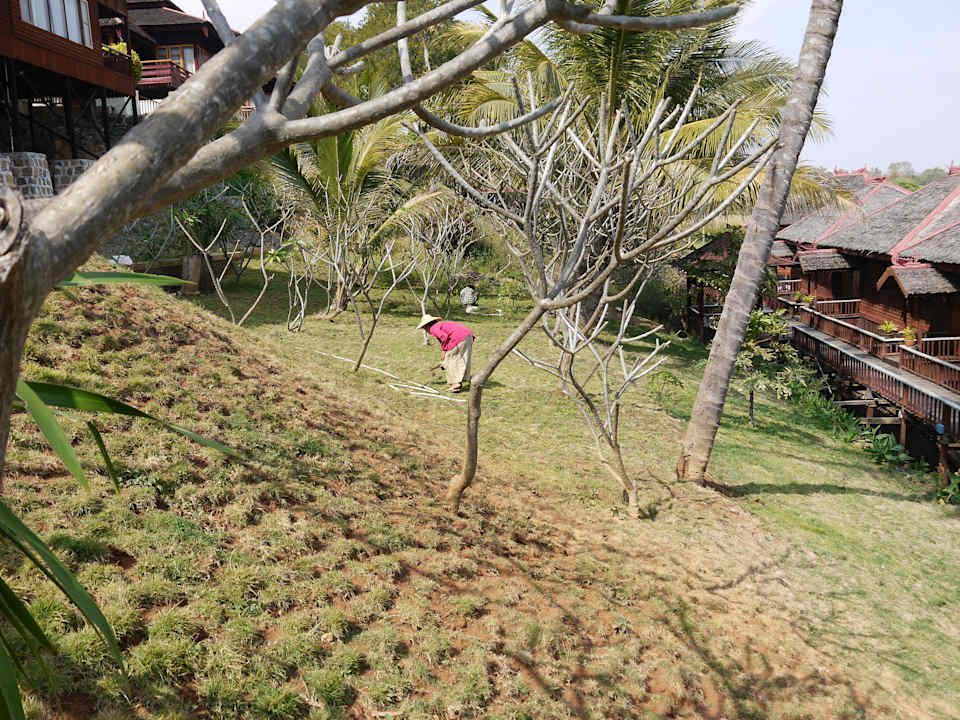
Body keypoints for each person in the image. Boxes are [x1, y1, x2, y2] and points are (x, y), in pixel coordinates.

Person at [416, 314, 474, 393]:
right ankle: (461, 380)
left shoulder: (433, 328)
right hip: (468, 337)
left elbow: (443, 337)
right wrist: (445, 350)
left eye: (424, 328)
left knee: (451, 360)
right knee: (461, 359)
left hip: (458, 338)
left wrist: (444, 350)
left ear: (426, 326)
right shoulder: (441, 325)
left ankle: (455, 384)